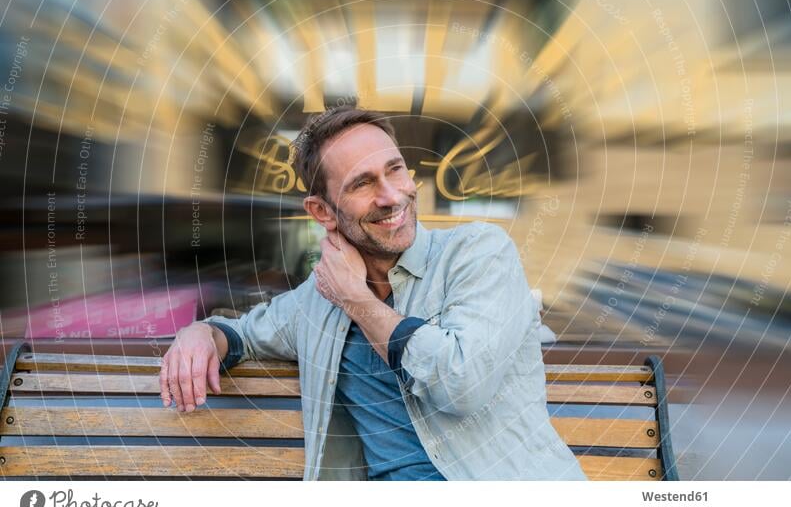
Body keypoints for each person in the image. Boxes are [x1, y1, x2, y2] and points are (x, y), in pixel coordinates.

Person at [159, 105, 587, 481]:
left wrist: (358, 302)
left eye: (395, 169)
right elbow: (244, 335)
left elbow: (462, 385)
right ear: (322, 211)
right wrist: (199, 333)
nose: (391, 196)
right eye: (362, 183)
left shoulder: (478, 254)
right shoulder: (319, 299)